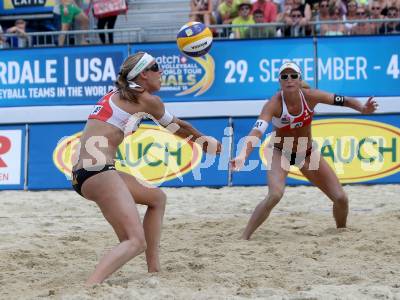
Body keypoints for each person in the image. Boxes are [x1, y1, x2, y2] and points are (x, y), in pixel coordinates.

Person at [71, 51, 222, 285]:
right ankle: (91, 286)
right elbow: (178, 127)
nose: (161, 72)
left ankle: (153, 270)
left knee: (156, 199)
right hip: (97, 171)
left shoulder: (121, 94)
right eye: (156, 67)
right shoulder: (144, 98)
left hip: (89, 172)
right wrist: (204, 141)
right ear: (143, 74)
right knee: (134, 241)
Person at [230, 61, 378, 240]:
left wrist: (362, 108)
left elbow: (344, 100)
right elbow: (257, 131)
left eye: (293, 76)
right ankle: (244, 238)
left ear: (300, 80)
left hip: (306, 152)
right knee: (275, 195)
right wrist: (242, 155)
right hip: (279, 151)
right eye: (284, 76)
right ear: (280, 81)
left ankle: (341, 233)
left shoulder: (311, 96)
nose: (289, 79)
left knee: (341, 198)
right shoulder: (274, 104)